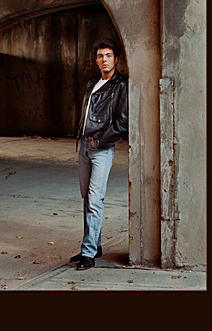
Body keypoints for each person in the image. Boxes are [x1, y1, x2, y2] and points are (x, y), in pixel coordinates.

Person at [71, 38, 128, 270]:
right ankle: (95, 244)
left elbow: (123, 123)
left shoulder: (120, 86)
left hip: (101, 148)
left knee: (95, 199)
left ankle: (88, 253)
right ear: (95, 60)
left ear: (116, 59)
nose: (104, 59)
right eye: (100, 56)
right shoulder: (92, 83)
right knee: (86, 197)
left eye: (108, 55)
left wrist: (100, 141)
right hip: (84, 147)